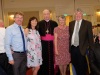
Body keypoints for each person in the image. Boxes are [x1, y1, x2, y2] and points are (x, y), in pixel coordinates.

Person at [69, 8, 94, 75]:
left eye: (79, 13)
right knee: (74, 64)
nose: (78, 15)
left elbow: (90, 38)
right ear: (74, 15)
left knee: (82, 66)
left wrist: (91, 49)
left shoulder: (87, 23)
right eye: (76, 14)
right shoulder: (71, 23)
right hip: (73, 48)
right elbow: (70, 36)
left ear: (82, 15)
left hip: (82, 48)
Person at [37, 9, 58, 75]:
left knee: (52, 59)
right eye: (45, 14)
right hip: (43, 44)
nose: (46, 15)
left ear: (50, 14)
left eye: (47, 14)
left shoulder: (54, 23)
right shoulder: (39, 23)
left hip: (52, 44)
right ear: (43, 15)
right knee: (44, 58)